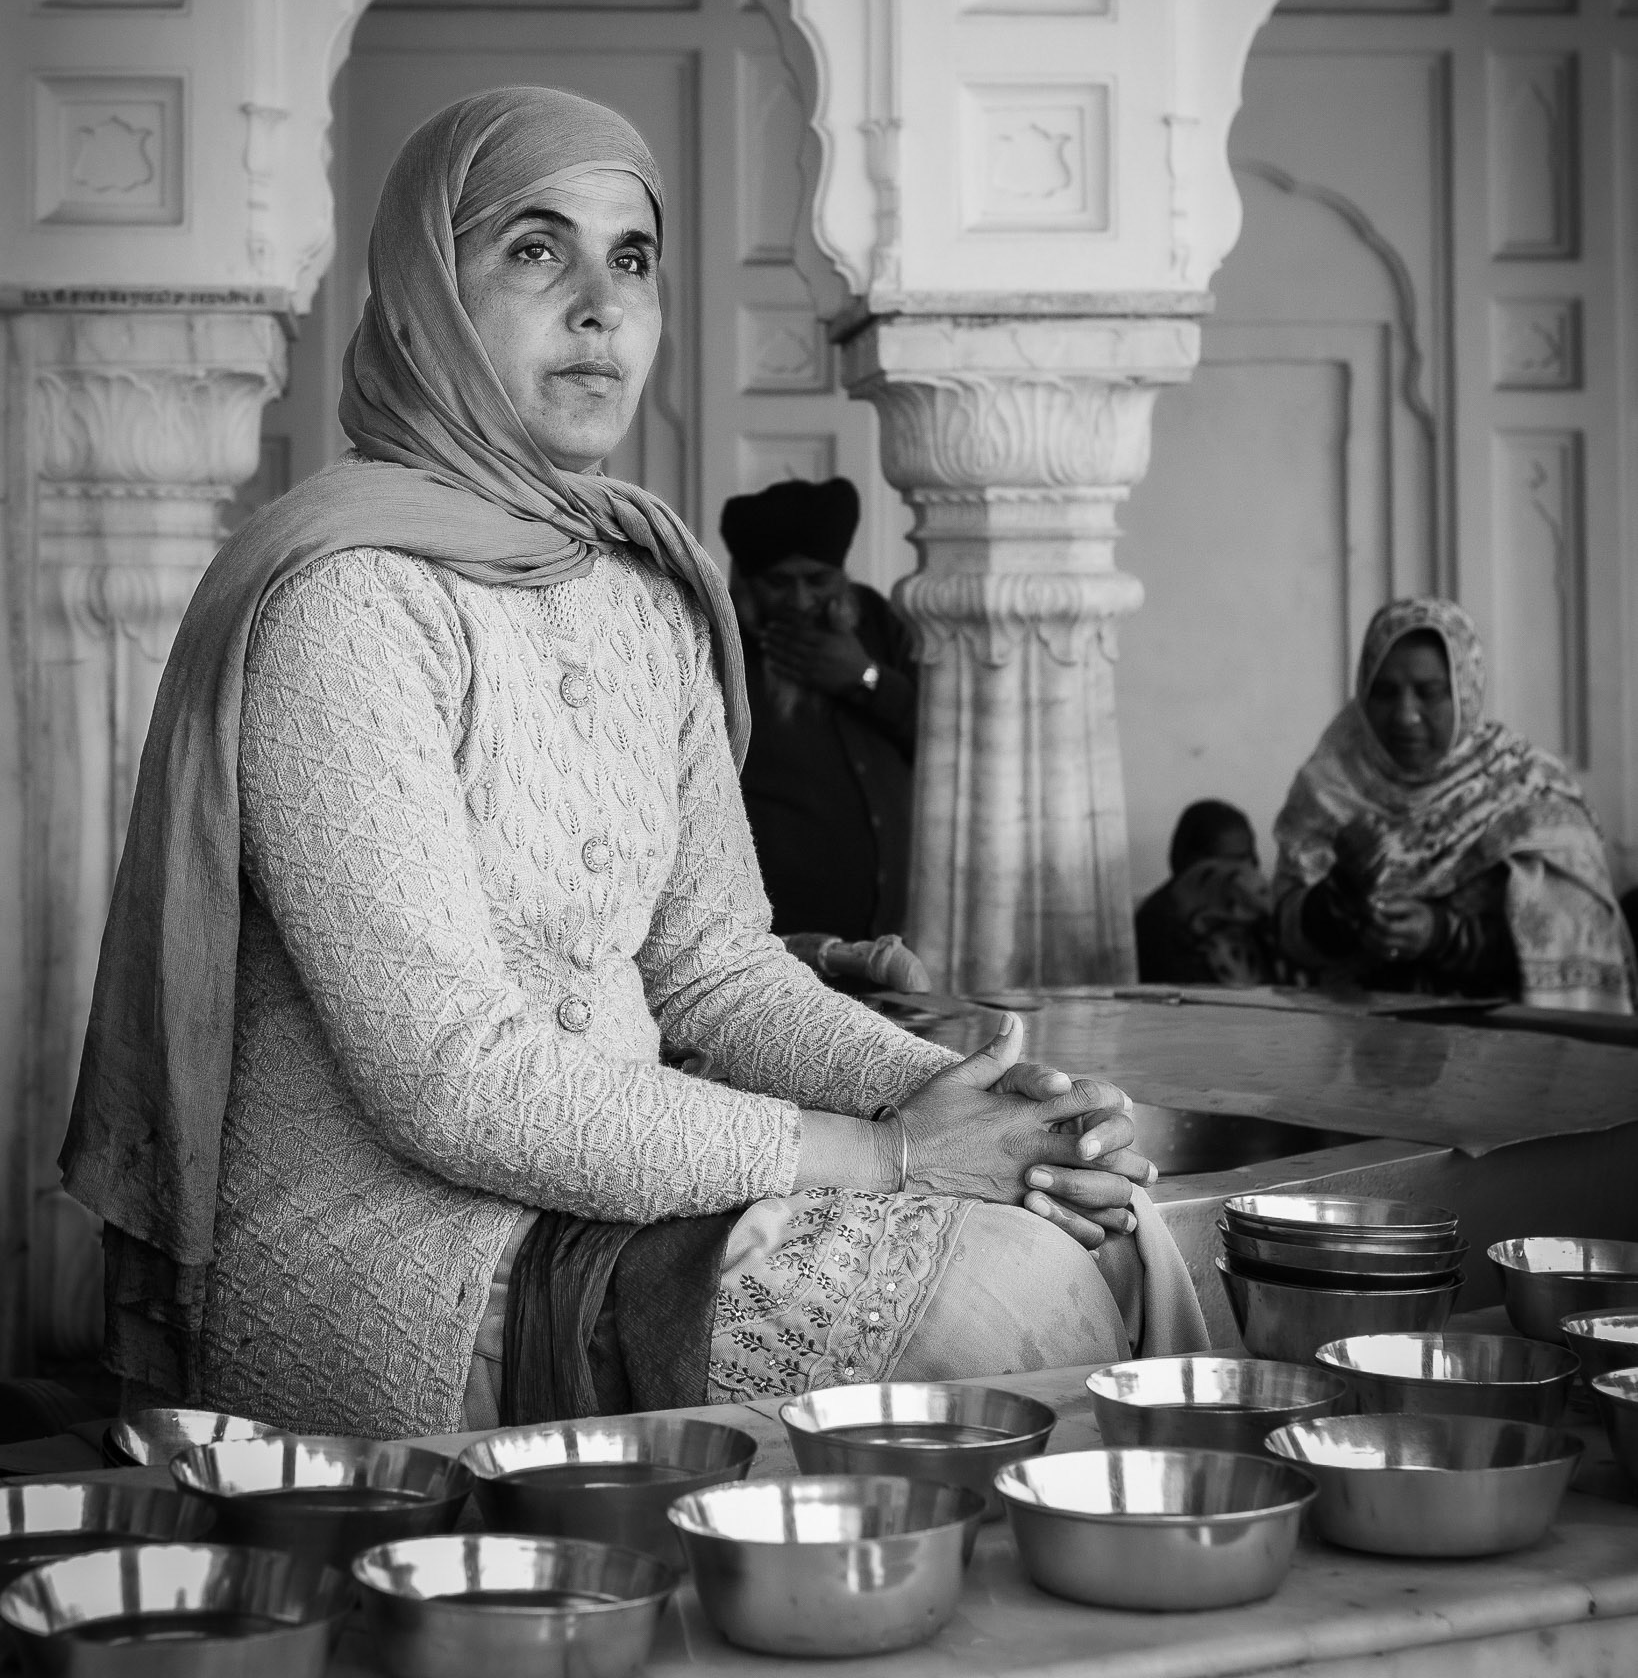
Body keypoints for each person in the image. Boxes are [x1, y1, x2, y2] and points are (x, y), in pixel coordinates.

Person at [59, 87, 1205, 1438]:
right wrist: (890, 1157)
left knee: (1103, 1228)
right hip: (412, 1257)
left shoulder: (644, 589)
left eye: (635, 258)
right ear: (431, 290)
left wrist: (984, 1114)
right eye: (536, 250)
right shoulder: (349, 604)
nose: (602, 304)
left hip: (631, 1191)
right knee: (999, 1312)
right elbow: (452, 1077)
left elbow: (712, 968)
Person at [1272, 596, 1635, 1012]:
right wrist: (1343, 889)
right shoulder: (1328, 789)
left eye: (1430, 693)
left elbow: (1577, 938)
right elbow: (1287, 940)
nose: (1406, 715)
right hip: (1357, 1052)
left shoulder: (1529, 792)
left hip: (1504, 1055)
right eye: (1385, 693)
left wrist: (1443, 935)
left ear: (1466, 690)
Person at [721, 478, 916, 941]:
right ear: (746, 582)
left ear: (842, 574)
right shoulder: (718, 645)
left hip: (889, 940)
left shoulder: (876, 622)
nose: (801, 600)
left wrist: (865, 678)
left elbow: (939, 742)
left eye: (818, 580)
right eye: (779, 583)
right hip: (774, 949)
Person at [1134, 801, 1275, 987]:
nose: (1248, 870)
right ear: (1193, 864)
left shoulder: (1251, 916)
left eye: (1251, 859)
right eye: (1234, 862)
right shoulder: (1158, 923)